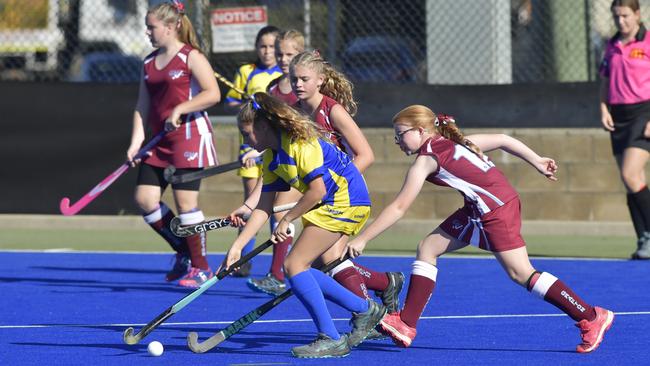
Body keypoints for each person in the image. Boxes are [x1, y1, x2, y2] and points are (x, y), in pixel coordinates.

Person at [344, 105, 615, 353]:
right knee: (428, 247)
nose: (397, 141)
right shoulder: (453, 141)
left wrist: (364, 238)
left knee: (521, 273)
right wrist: (537, 160)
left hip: (495, 210)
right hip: (482, 207)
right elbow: (504, 140)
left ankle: (590, 316)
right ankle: (406, 323)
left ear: (420, 130)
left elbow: (399, 207)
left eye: (401, 134)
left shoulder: (426, 160)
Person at [223, 93, 386, 358]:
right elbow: (264, 207)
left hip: (347, 200)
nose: (244, 141)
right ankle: (365, 310)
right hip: (333, 202)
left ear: (263, 126)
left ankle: (332, 337)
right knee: (301, 267)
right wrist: (237, 248)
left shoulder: (301, 144)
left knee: (293, 265)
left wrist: (287, 220)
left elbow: (317, 191)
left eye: (246, 133)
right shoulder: (271, 157)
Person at [287, 50, 405, 312]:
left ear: (320, 80)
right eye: (294, 79)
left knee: (330, 258)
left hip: (347, 193)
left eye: (304, 79)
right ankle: (385, 283)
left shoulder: (333, 111)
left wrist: (336, 186)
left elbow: (366, 155)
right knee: (330, 261)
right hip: (322, 195)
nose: (298, 85)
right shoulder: (294, 115)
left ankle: (367, 313)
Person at [127, 1, 221, 288]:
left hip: (189, 136)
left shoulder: (191, 57)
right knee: (145, 199)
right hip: (159, 140)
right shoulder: (147, 62)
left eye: (152, 27)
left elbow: (213, 93)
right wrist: (136, 142)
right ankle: (184, 250)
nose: (148, 32)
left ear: (170, 27)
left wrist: (181, 109)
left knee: (185, 203)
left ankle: (202, 267)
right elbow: (143, 104)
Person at [245, 29, 305, 294]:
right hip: (280, 160)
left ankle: (278, 274)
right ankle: (279, 273)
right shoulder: (272, 89)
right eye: (279, 53)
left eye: (289, 54)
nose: (282, 58)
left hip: (304, 160)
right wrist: (257, 150)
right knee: (275, 209)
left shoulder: (304, 88)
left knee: (280, 210)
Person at [225, 25, 282, 276]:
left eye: (272, 46)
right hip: (251, 146)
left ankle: (276, 267)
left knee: (276, 202)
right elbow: (231, 102)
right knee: (252, 199)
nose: (267, 51)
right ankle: (243, 258)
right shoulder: (246, 72)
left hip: (274, 146)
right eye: (263, 46)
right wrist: (247, 102)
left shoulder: (284, 76)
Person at [599, 0, 650, 259]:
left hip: (643, 113)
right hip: (617, 116)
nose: (622, 21)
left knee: (631, 174)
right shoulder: (611, 45)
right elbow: (605, 79)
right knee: (631, 181)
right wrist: (603, 108)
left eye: (626, 16)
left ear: (638, 15)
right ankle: (644, 239)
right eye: (617, 16)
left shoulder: (648, 41)